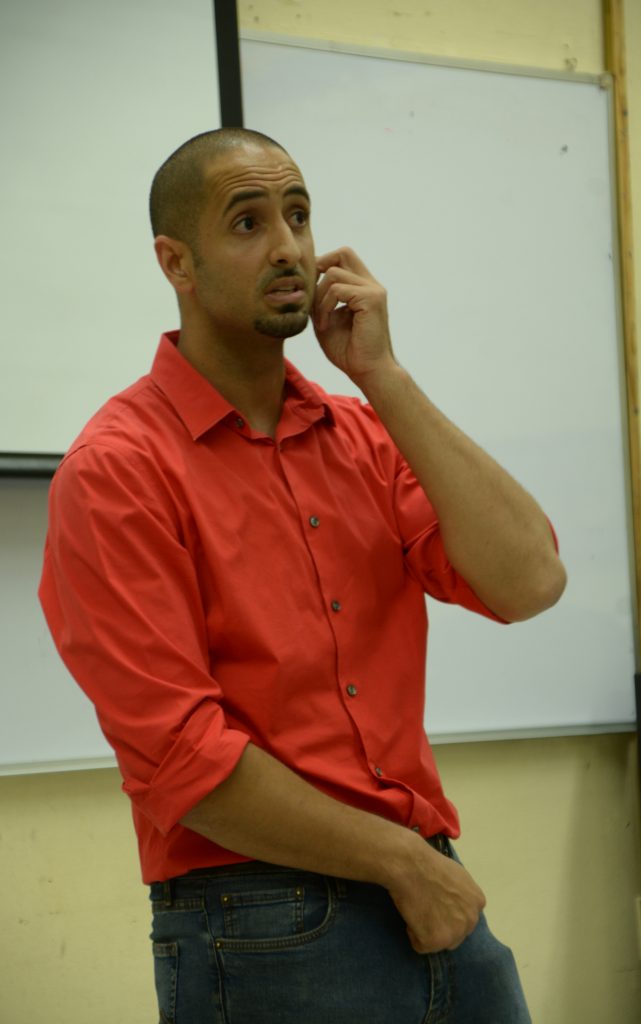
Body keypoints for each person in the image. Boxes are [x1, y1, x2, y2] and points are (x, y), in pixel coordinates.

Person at [40, 127, 566, 1023]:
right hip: (260, 914)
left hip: (428, 884)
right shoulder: (117, 469)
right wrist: (401, 863)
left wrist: (384, 375)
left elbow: (529, 581)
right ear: (177, 262)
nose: (288, 246)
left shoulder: (362, 432)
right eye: (247, 223)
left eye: (297, 214)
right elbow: (182, 760)